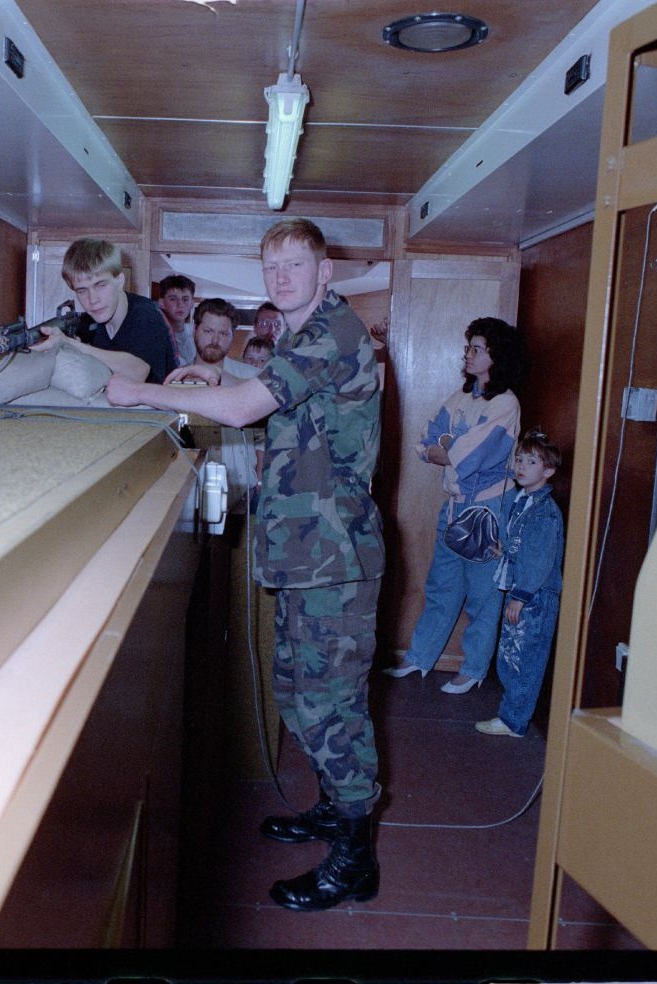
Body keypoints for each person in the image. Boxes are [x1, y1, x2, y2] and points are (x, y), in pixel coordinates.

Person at [106, 218, 384, 912]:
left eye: (298, 263)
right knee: (299, 691)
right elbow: (276, 403)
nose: (284, 276)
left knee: (333, 708)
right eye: (273, 266)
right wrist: (210, 374)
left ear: (325, 272)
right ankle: (332, 807)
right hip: (305, 554)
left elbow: (242, 407)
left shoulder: (333, 331)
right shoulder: (301, 333)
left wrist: (146, 393)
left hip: (334, 560)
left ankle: (356, 859)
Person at [382, 318, 526, 694]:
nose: (468, 355)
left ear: (497, 356)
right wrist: (447, 447)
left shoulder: (505, 404)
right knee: (441, 586)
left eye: (476, 349)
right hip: (454, 507)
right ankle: (421, 657)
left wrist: (448, 448)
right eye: (468, 348)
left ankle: (475, 668)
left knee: (481, 594)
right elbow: (428, 439)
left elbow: (468, 454)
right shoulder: (461, 398)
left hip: (486, 509)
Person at [476, 429, 565, 738]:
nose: (521, 466)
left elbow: (539, 560)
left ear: (548, 471)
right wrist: (506, 552)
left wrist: (521, 596)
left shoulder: (544, 512)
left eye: (531, 461)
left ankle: (514, 721)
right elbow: (524, 548)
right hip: (522, 592)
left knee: (524, 661)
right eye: (519, 459)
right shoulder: (522, 501)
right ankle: (510, 715)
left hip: (534, 598)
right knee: (510, 658)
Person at [33, 239, 176, 384]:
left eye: (100, 285)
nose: (92, 299)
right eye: (82, 291)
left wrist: (71, 345)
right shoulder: (89, 323)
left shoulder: (146, 316)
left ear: (119, 280)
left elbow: (138, 371)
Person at [189, 297, 260, 381]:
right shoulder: (176, 378)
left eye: (223, 334)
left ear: (232, 335)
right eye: (208, 331)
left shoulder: (254, 378)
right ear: (194, 330)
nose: (215, 340)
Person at [157, 274, 198, 368]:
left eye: (185, 299)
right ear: (162, 303)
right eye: (173, 299)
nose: (180, 305)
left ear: (192, 303)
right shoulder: (156, 335)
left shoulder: (196, 334)